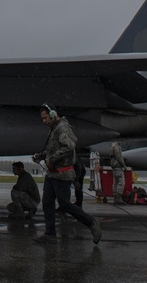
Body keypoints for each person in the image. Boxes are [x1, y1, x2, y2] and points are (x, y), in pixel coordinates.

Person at [32, 104, 102, 244]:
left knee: (65, 204)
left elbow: (69, 146)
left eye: (45, 117)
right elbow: (55, 149)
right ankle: (50, 234)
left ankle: (91, 223)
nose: (43, 121)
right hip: (52, 174)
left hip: (62, 175)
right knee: (47, 202)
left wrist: (51, 159)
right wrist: (42, 156)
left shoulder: (62, 128)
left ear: (52, 115)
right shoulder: (54, 129)